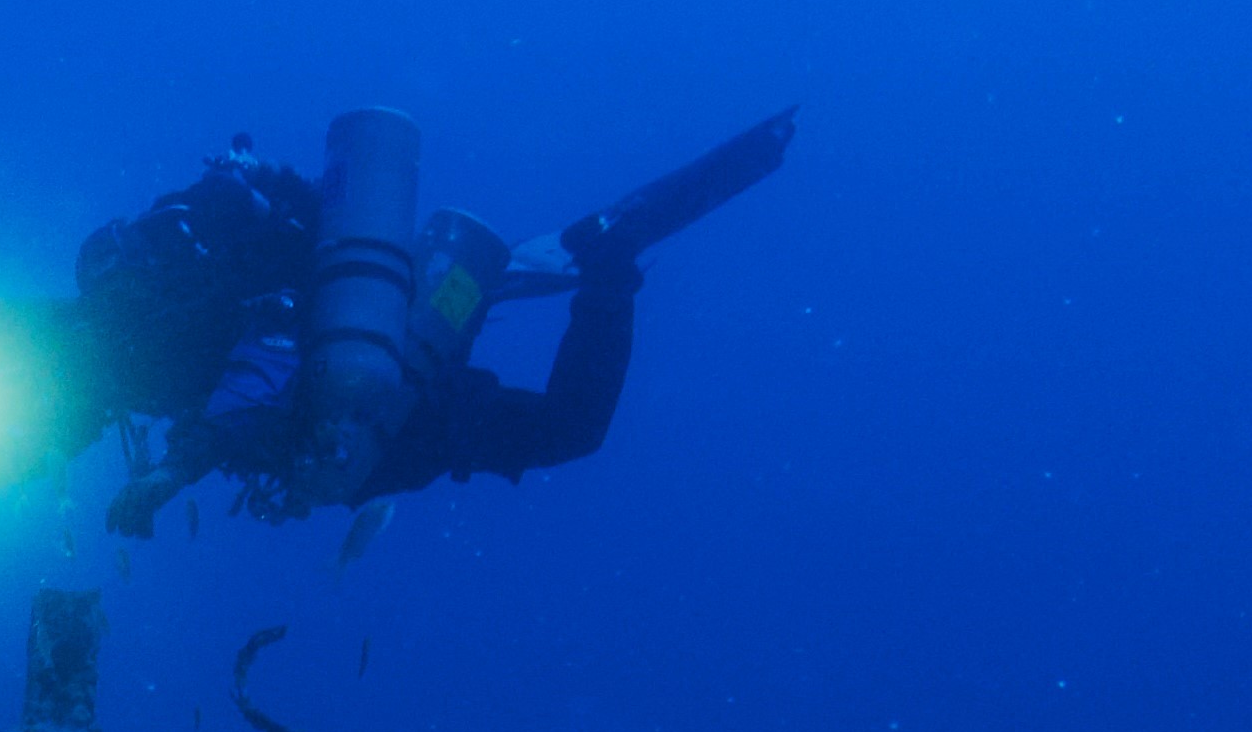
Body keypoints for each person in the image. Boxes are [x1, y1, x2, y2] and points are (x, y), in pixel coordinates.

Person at [46, 108, 783, 540]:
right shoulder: (136, 336)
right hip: (372, 365)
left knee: (569, 429)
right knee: (513, 338)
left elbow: (267, 351)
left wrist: (176, 470)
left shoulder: (159, 329)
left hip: (378, 401)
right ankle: (574, 262)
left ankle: (607, 263)